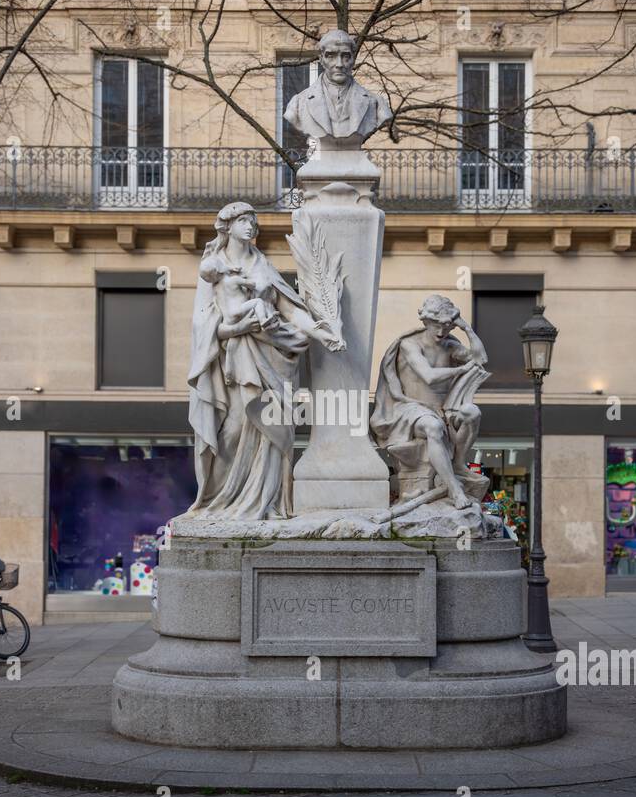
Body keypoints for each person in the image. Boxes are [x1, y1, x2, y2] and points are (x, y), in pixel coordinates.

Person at [185, 201, 343, 520]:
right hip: (236, 358)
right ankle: (218, 499)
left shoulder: (263, 265)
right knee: (232, 429)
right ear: (227, 226)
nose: (251, 226)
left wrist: (321, 332)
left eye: (253, 221)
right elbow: (203, 325)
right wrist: (241, 327)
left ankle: (263, 500)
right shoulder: (212, 267)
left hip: (273, 355)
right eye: (244, 220)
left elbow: (290, 309)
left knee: (272, 427)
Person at [371, 295, 491, 510]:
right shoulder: (410, 345)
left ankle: (458, 464)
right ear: (426, 321)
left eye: (446, 326)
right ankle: (454, 489)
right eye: (437, 325)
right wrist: (460, 369)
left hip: (443, 409)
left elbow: (480, 358)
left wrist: (467, 329)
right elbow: (428, 376)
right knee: (432, 427)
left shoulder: (450, 345)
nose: (441, 332)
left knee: (472, 412)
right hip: (410, 408)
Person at [282, 29, 392, 144]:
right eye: (331, 56)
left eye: (345, 56)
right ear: (321, 59)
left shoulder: (376, 104)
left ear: (353, 59)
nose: (339, 64)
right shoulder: (298, 104)